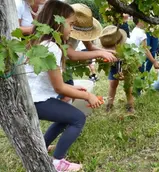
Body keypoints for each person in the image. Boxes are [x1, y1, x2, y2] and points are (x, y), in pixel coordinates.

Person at [25, 0, 102, 171]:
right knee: (78, 118)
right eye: (71, 24)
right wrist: (88, 95)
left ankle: (42, 147)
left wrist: (76, 89)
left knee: (65, 116)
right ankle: (57, 162)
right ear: (57, 22)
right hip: (38, 101)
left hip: (34, 98)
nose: (72, 29)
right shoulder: (52, 48)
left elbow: (52, 82)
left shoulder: (43, 42)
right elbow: (59, 87)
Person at [98, 25, 134, 113]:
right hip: (113, 61)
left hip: (127, 61)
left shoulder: (128, 44)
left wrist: (124, 72)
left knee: (128, 85)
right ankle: (109, 104)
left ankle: (130, 105)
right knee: (113, 83)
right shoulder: (105, 46)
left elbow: (134, 62)